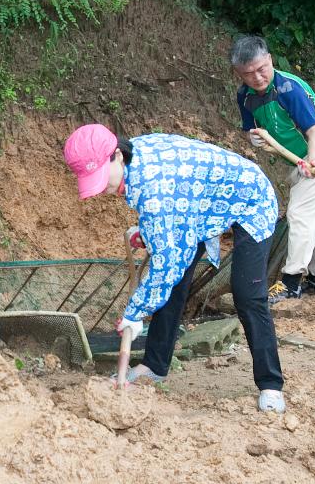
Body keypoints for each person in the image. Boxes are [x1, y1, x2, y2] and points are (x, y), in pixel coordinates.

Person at [63, 123, 287, 413]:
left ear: (117, 155)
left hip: (250, 200)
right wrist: (148, 233)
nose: (101, 188)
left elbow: (167, 258)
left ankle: (271, 384)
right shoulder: (136, 158)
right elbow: (172, 213)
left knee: (247, 294)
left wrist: (135, 312)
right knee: (174, 282)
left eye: (101, 177)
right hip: (196, 203)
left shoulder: (156, 188)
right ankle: (154, 365)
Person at [231, 35, 315, 302]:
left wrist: (314, 161)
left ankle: (291, 281)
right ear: (238, 74)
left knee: (299, 211)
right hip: (299, 157)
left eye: (262, 69)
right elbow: (251, 129)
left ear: (270, 60)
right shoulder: (245, 96)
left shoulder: (289, 89)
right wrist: (254, 138)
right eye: (249, 74)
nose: (258, 78)